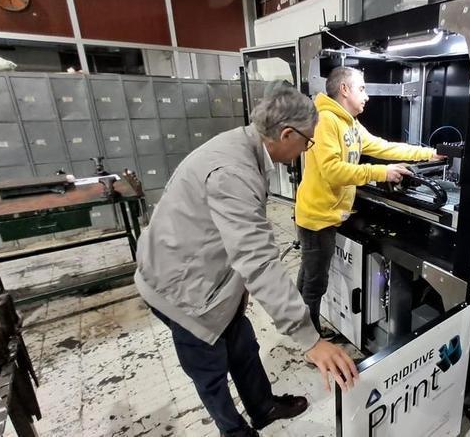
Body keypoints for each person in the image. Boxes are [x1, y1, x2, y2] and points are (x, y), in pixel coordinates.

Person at [134, 88, 359, 437]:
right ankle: (234, 431)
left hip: (206, 270)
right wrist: (310, 340)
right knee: (209, 368)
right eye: (307, 143)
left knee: (242, 344)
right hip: (179, 287)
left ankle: (263, 407)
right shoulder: (233, 171)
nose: (305, 151)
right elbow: (256, 258)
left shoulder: (246, 145)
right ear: (287, 134)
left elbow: (238, 240)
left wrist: (236, 290)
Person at [294, 66, 445, 337]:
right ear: (344, 90)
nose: (367, 96)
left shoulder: (349, 122)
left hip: (327, 214)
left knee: (309, 274)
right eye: (361, 88)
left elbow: (382, 146)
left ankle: (301, 324)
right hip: (317, 217)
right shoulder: (326, 120)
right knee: (315, 282)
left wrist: (428, 154)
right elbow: (333, 171)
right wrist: (380, 172)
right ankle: (309, 339)